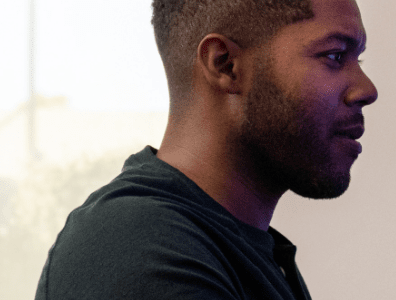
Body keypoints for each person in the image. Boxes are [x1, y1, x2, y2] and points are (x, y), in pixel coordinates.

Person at [34, 0, 376, 298]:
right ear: (225, 64)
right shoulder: (139, 247)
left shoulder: (249, 251)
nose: (366, 89)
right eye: (334, 55)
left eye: (357, 59)